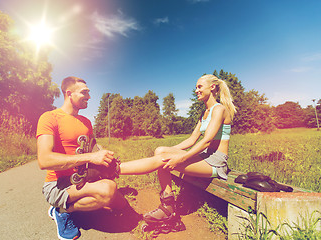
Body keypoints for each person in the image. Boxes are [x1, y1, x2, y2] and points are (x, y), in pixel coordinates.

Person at [119, 74, 236, 225]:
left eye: (199, 86)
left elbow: (206, 141)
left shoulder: (219, 109)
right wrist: (169, 151)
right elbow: (192, 140)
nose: (196, 90)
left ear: (212, 87)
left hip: (216, 162)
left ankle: (115, 169)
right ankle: (168, 204)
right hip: (204, 157)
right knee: (161, 151)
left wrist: (180, 158)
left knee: (163, 160)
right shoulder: (204, 113)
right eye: (196, 87)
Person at [36, 76, 126, 240]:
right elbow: (44, 160)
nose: (89, 97)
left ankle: (70, 205)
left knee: (122, 206)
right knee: (108, 190)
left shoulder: (86, 121)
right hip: (58, 184)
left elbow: (93, 148)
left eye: (89, 93)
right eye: (84, 92)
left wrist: (104, 155)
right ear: (69, 93)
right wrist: (91, 157)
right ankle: (62, 210)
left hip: (83, 179)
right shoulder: (49, 117)